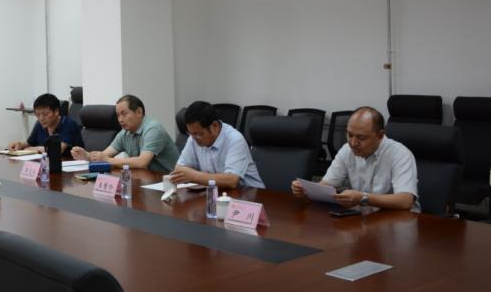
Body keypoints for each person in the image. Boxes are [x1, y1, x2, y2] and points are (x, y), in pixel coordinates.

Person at [291, 106, 419, 212]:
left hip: (399, 221)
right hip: (364, 218)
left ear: (380, 135)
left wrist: (363, 198)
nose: (353, 143)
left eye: (361, 138)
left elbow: (405, 200)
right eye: (350, 135)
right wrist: (306, 191)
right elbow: (325, 186)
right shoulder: (347, 150)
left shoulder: (400, 154)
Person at [70, 94, 178, 173]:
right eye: (118, 115)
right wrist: (88, 156)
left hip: (168, 181)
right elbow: (105, 155)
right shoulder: (125, 133)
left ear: (139, 112)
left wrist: (107, 160)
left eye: (124, 114)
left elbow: (142, 162)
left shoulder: (153, 129)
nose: (120, 120)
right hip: (144, 180)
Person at [169, 101, 265, 189]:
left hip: (252, 195)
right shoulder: (194, 137)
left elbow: (231, 180)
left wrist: (193, 176)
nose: (194, 139)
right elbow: (179, 169)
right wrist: (196, 176)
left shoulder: (235, 139)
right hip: (219, 193)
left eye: (199, 134)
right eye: (190, 133)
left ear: (214, 125)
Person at [8, 92, 83, 155]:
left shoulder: (69, 124)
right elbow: (30, 143)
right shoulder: (39, 124)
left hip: (70, 165)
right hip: (48, 163)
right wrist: (20, 144)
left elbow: (58, 149)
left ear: (56, 112)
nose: (41, 118)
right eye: (37, 114)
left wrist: (32, 149)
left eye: (45, 114)